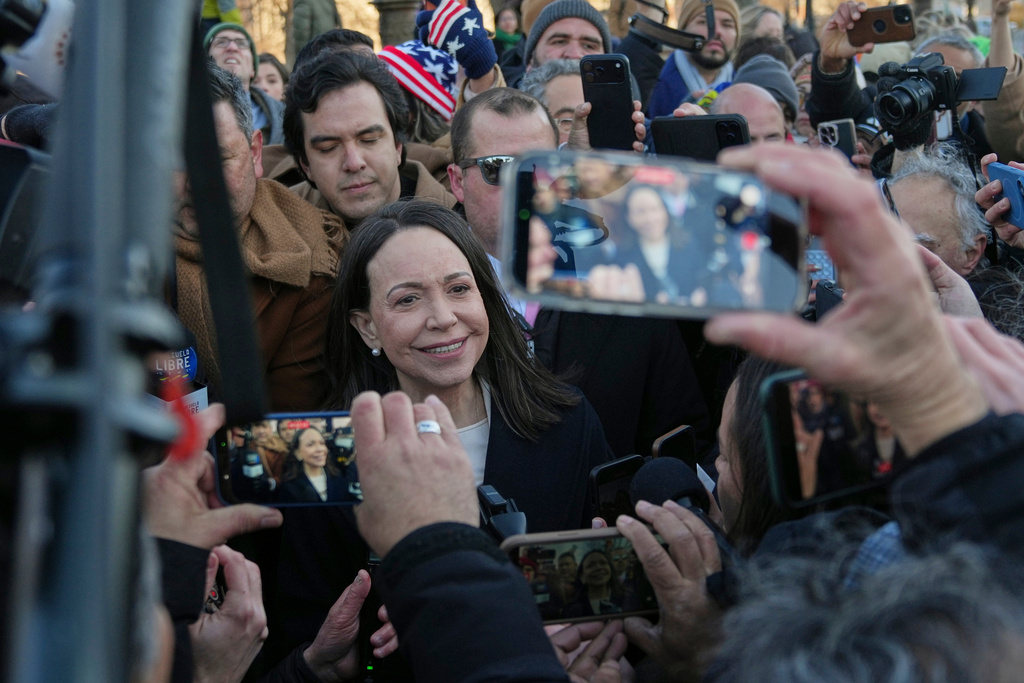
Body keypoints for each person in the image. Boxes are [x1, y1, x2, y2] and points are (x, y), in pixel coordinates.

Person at [447, 87, 710, 456]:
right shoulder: (425, 290)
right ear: (457, 181)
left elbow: (682, 436)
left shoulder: (625, 284)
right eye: (500, 168)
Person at [324, 199, 614, 532]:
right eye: (408, 299)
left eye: (459, 289)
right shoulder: (333, 461)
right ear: (367, 328)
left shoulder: (570, 423)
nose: (444, 318)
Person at [174, 64, 344, 411]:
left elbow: (282, 432)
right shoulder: (99, 249)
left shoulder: (311, 263)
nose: (197, 183)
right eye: (176, 161)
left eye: (218, 158)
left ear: (254, 153)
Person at [282, 50, 456, 229]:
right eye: (329, 147)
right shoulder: (277, 227)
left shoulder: (465, 228)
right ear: (305, 164)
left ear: (397, 145)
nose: (354, 163)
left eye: (369, 140)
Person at [647, 0, 741, 119]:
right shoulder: (652, 84)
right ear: (683, 30)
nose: (717, 32)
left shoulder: (744, 86)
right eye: (704, 22)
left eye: (727, 25)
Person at [204, 23, 285, 145]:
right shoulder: (182, 109)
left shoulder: (286, 116)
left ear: (253, 69)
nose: (232, 47)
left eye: (241, 43)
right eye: (221, 42)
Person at [277, 426, 355, 503]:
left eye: (322, 443)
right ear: (298, 453)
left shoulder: (338, 479)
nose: (319, 449)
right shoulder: (289, 488)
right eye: (310, 444)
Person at [562, 550, 628, 618]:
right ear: (582, 577)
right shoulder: (571, 609)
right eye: (591, 565)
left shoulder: (628, 599)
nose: (598, 568)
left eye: (603, 563)